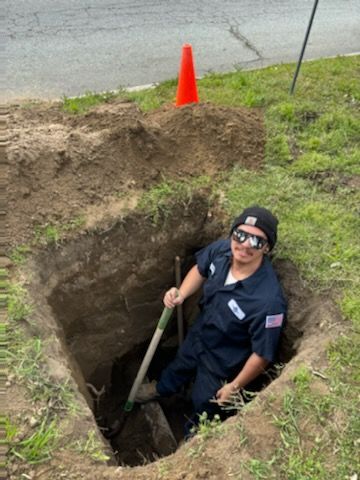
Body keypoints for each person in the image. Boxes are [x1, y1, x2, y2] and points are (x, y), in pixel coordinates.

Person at [135, 206, 287, 436]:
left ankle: (194, 438)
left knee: (205, 403)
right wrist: (182, 294)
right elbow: (200, 269)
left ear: (266, 247)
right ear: (233, 233)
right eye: (241, 235)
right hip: (201, 333)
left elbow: (263, 354)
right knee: (180, 364)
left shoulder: (267, 301)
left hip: (224, 361)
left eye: (256, 241)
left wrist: (234, 386)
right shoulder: (222, 250)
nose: (245, 244)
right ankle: (161, 388)